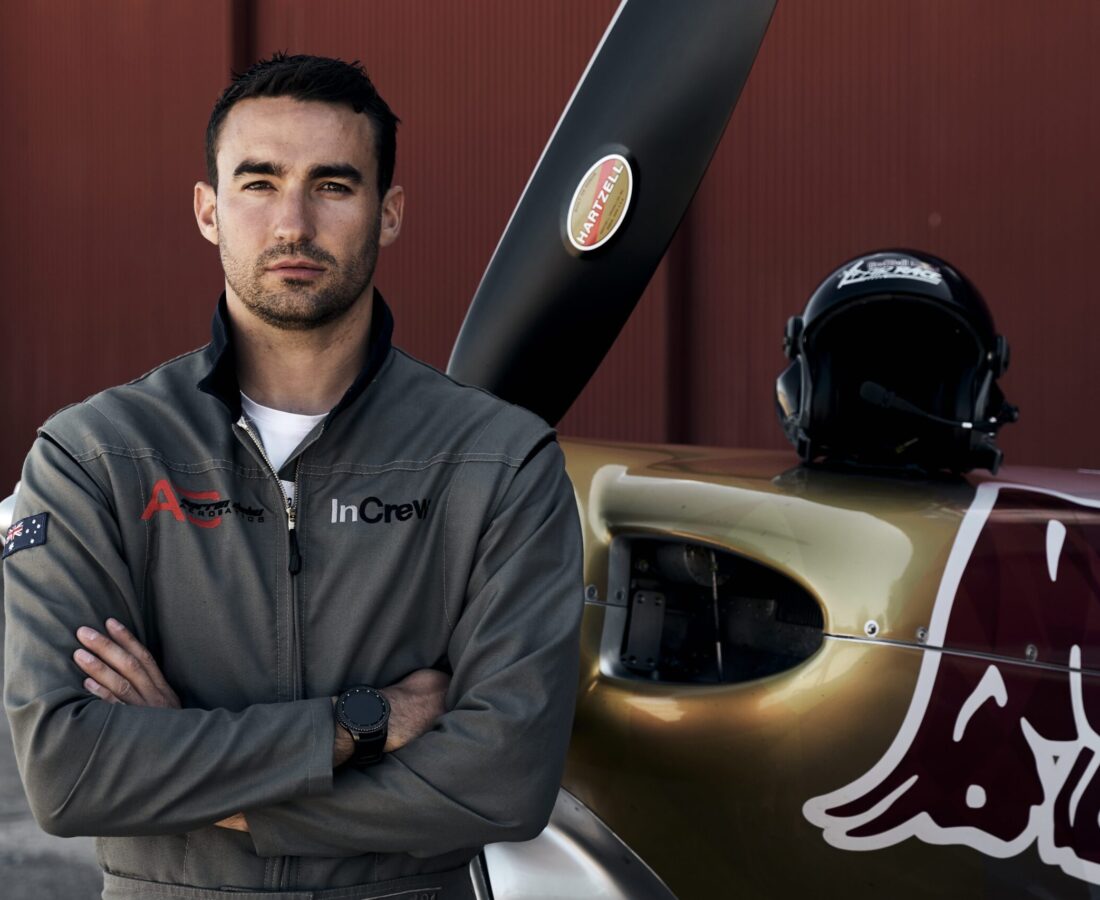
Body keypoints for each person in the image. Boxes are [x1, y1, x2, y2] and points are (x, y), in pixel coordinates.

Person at [2, 53, 583, 899]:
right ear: (208, 209)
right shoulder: (93, 456)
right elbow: (70, 773)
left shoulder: (499, 461)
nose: (293, 223)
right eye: (259, 182)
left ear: (388, 214)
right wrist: (362, 726)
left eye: (334, 186)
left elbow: (504, 782)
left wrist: (207, 788)